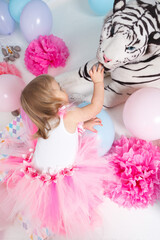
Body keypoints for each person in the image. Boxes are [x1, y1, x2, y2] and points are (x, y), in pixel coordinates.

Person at [0, 64, 110, 239]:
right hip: (59, 174)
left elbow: (60, 134)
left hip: (38, 170)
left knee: (46, 202)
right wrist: (98, 82)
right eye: (58, 88)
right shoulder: (70, 116)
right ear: (50, 101)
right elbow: (96, 106)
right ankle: (61, 223)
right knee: (67, 201)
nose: (63, 88)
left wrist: (82, 125)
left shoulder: (44, 118)